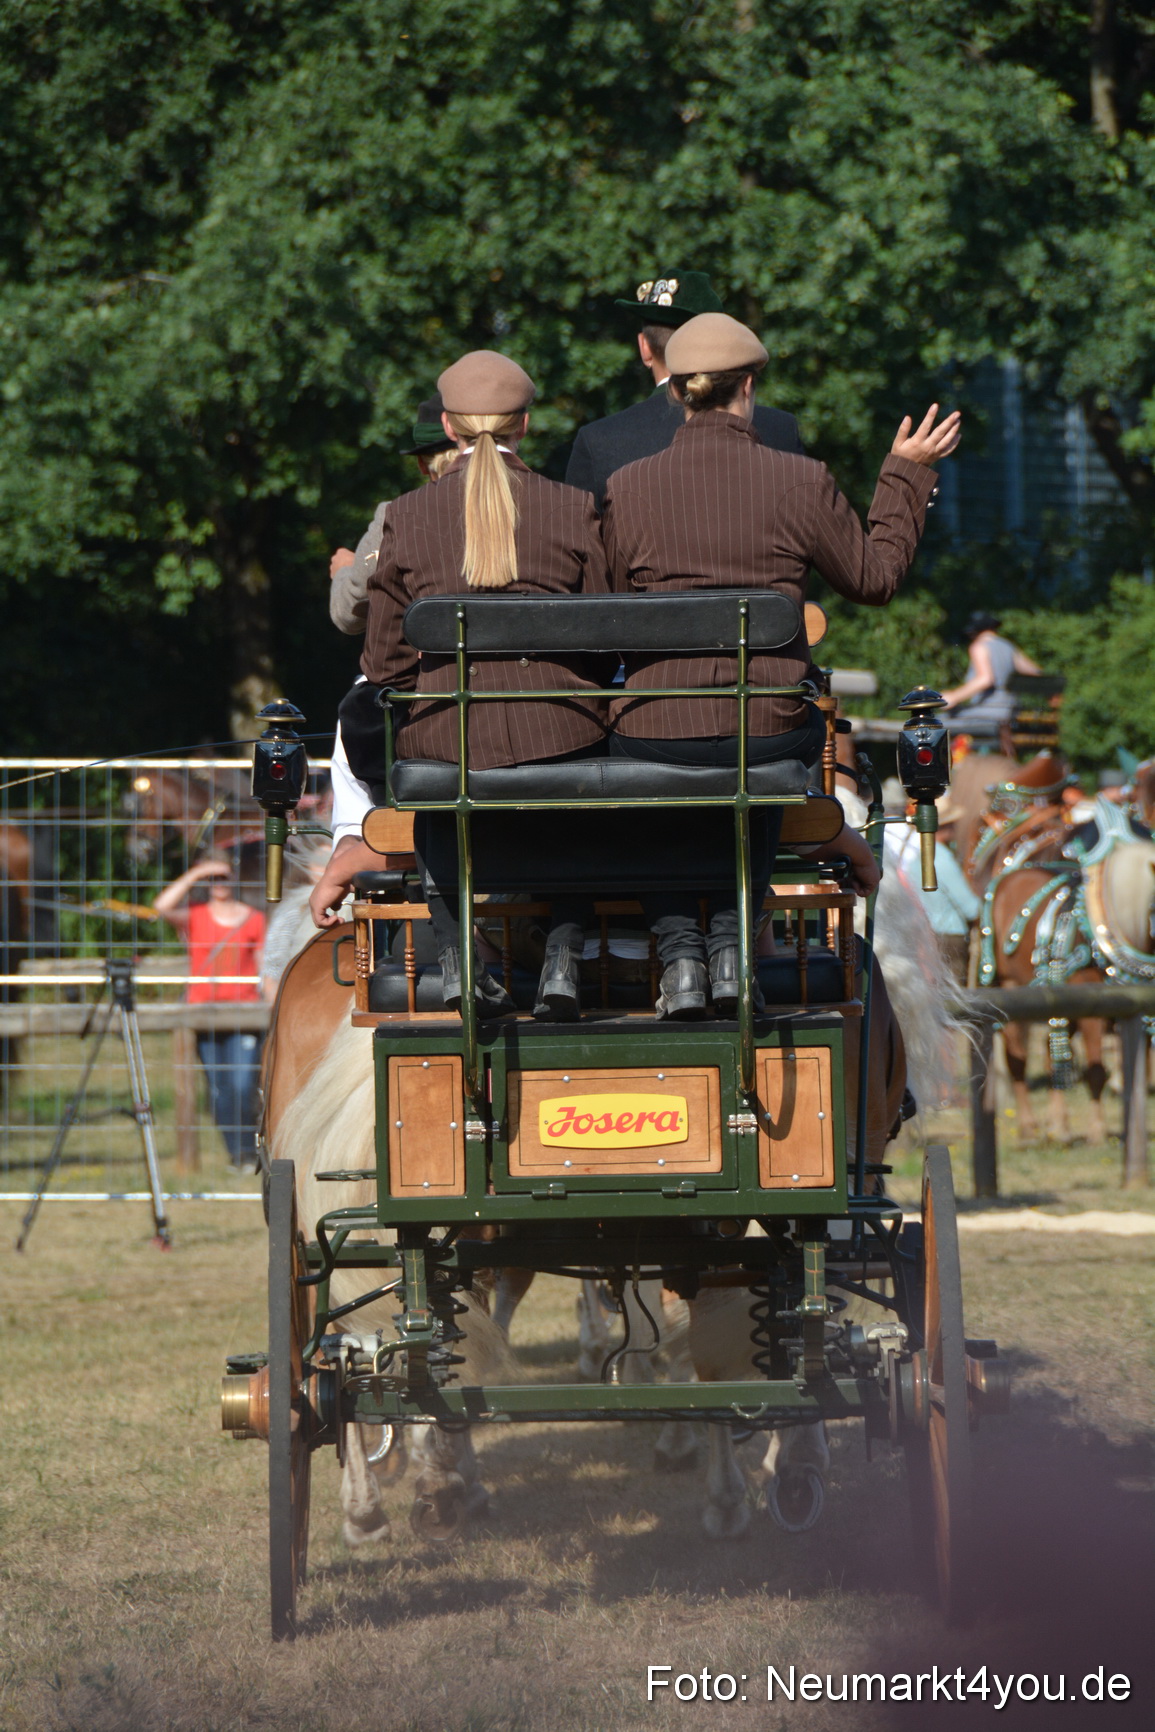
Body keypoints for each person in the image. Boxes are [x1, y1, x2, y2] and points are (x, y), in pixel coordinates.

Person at [602, 311, 961, 1017]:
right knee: (763, 748)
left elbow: (603, 609)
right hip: (763, 728)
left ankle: (679, 955)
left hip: (654, 728)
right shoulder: (797, 480)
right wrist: (903, 476)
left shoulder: (626, 487)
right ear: (749, 385)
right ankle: (736, 943)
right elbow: (872, 578)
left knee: (652, 755)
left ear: (675, 390)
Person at [311, 350, 611, 1022]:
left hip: (446, 741)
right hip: (560, 731)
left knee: (433, 783)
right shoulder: (574, 508)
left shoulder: (405, 518)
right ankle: (561, 959)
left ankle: (457, 960)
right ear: (525, 425)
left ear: (447, 426)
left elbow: (385, 661)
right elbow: (605, 636)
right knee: (584, 797)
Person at [565, 271, 804, 511]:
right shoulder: (780, 429)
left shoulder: (598, 442)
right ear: (724, 339)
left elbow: (581, 543)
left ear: (644, 347)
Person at [154, 857, 266, 1169]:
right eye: (213, 880)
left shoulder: (254, 919)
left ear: (235, 880)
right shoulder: (195, 916)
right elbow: (162, 906)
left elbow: (263, 966)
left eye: (224, 877)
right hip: (203, 1011)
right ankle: (238, 1154)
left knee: (244, 1083)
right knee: (219, 1089)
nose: (219, 884)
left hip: (243, 1010)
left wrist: (270, 1004)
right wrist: (196, 873)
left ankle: (251, 1149)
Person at [329, 392, 459, 636]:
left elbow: (349, 614)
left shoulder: (396, 518)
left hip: (431, 671)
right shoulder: (537, 507)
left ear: (422, 464)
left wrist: (345, 571)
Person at [890, 797, 980, 985]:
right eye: (952, 825)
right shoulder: (941, 857)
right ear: (944, 827)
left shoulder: (917, 857)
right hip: (949, 936)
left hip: (926, 933)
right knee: (954, 989)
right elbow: (970, 907)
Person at [941, 612, 1040, 743]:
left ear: (974, 631)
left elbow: (985, 679)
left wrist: (954, 696)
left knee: (936, 722)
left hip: (987, 712)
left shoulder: (979, 646)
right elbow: (1036, 672)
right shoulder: (1008, 647)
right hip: (1010, 711)